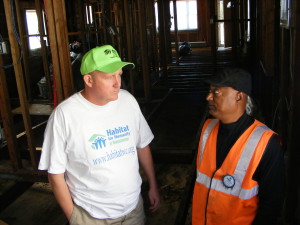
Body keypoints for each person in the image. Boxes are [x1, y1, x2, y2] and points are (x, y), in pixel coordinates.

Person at [38, 45, 160, 225]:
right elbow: (55, 174)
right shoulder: (65, 115)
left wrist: (153, 184)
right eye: (110, 76)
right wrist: (74, 218)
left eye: (119, 74)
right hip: (91, 217)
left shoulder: (128, 101)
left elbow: (142, 145)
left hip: (134, 210)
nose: (117, 83)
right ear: (89, 80)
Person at [192, 67, 285, 225]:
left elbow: (271, 206)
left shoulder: (267, 143)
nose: (208, 97)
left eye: (216, 92)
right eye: (209, 91)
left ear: (239, 97)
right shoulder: (207, 129)